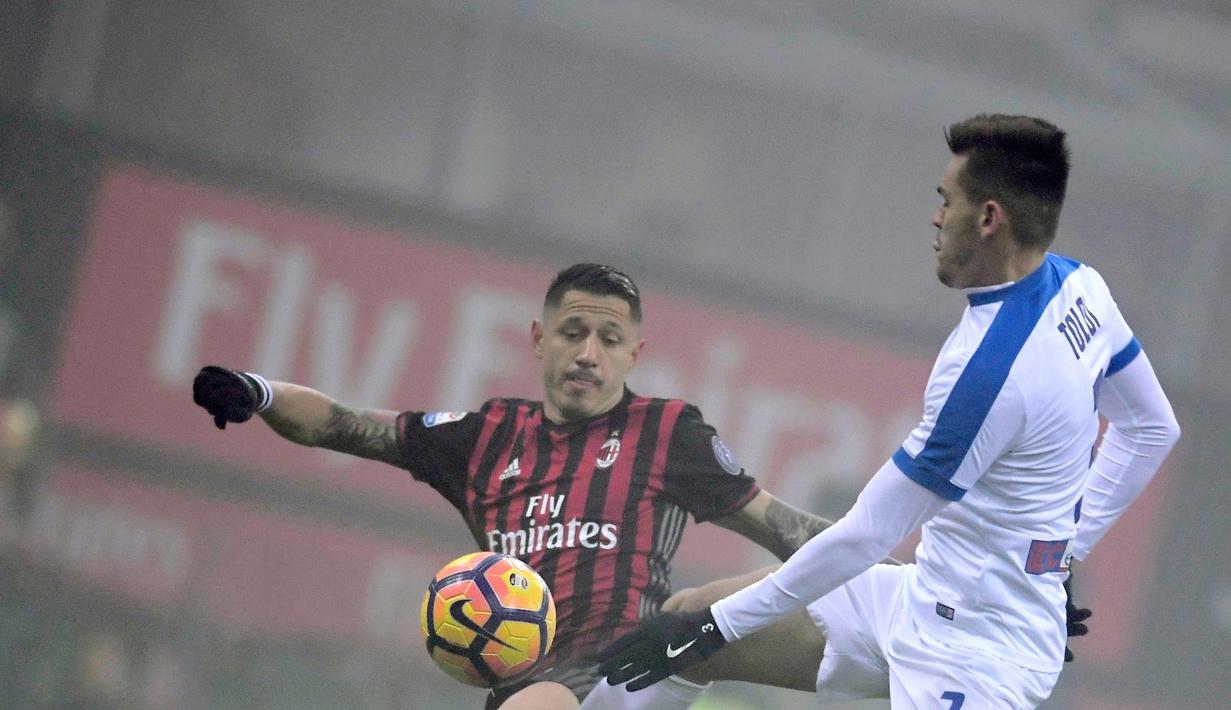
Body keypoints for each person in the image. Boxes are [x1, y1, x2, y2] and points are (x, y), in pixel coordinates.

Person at [598, 114, 1181, 709]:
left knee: (704, 627)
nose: (935, 217)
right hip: (920, 599)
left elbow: (867, 536)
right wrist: (1060, 559)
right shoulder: (1081, 288)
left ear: (987, 218)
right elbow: (1152, 428)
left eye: (945, 200)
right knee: (687, 615)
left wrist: (717, 627)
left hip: (980, 659)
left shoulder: (990, 373)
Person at [192, 263, 838, 709]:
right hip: (532, 682)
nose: (588, 352)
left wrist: (894, 562)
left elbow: (780, 527)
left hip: (633, 670)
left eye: (608, 339)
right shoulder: (485, 436)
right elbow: (341, 425)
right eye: (572, 333)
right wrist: (260, 392)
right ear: (538, 339)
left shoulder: (666, 430)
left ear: (633, 354)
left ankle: (919, 652)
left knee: (709, 607)